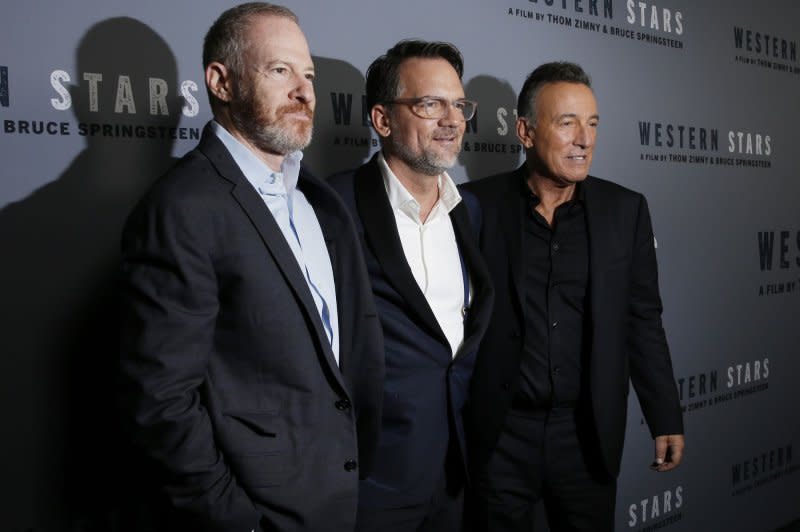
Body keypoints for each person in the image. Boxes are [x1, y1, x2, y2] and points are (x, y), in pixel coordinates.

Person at [117, 4, 384, 531]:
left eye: (309, 75)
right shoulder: (184, 206)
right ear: (221, 81)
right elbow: (161, 402)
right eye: (279, 70)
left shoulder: (316, 201)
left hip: (340, 497)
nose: (305, 91)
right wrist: (238, 521)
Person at [462, 61, 685, 531]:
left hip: (586, 435)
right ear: (525, 131)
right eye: (567, 123)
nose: (585, 138)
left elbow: (643, 320)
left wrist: (664, 413)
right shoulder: (473, 208)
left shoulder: (626, 212)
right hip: (501, 435)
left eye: (593, 123)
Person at [328, 40, 494, 532]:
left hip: (455, 475)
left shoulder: (469, 211)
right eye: (429, 104)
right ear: (382, 120)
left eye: (459, 105)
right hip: (370, 483)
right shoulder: (331, 207)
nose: (452, 119)